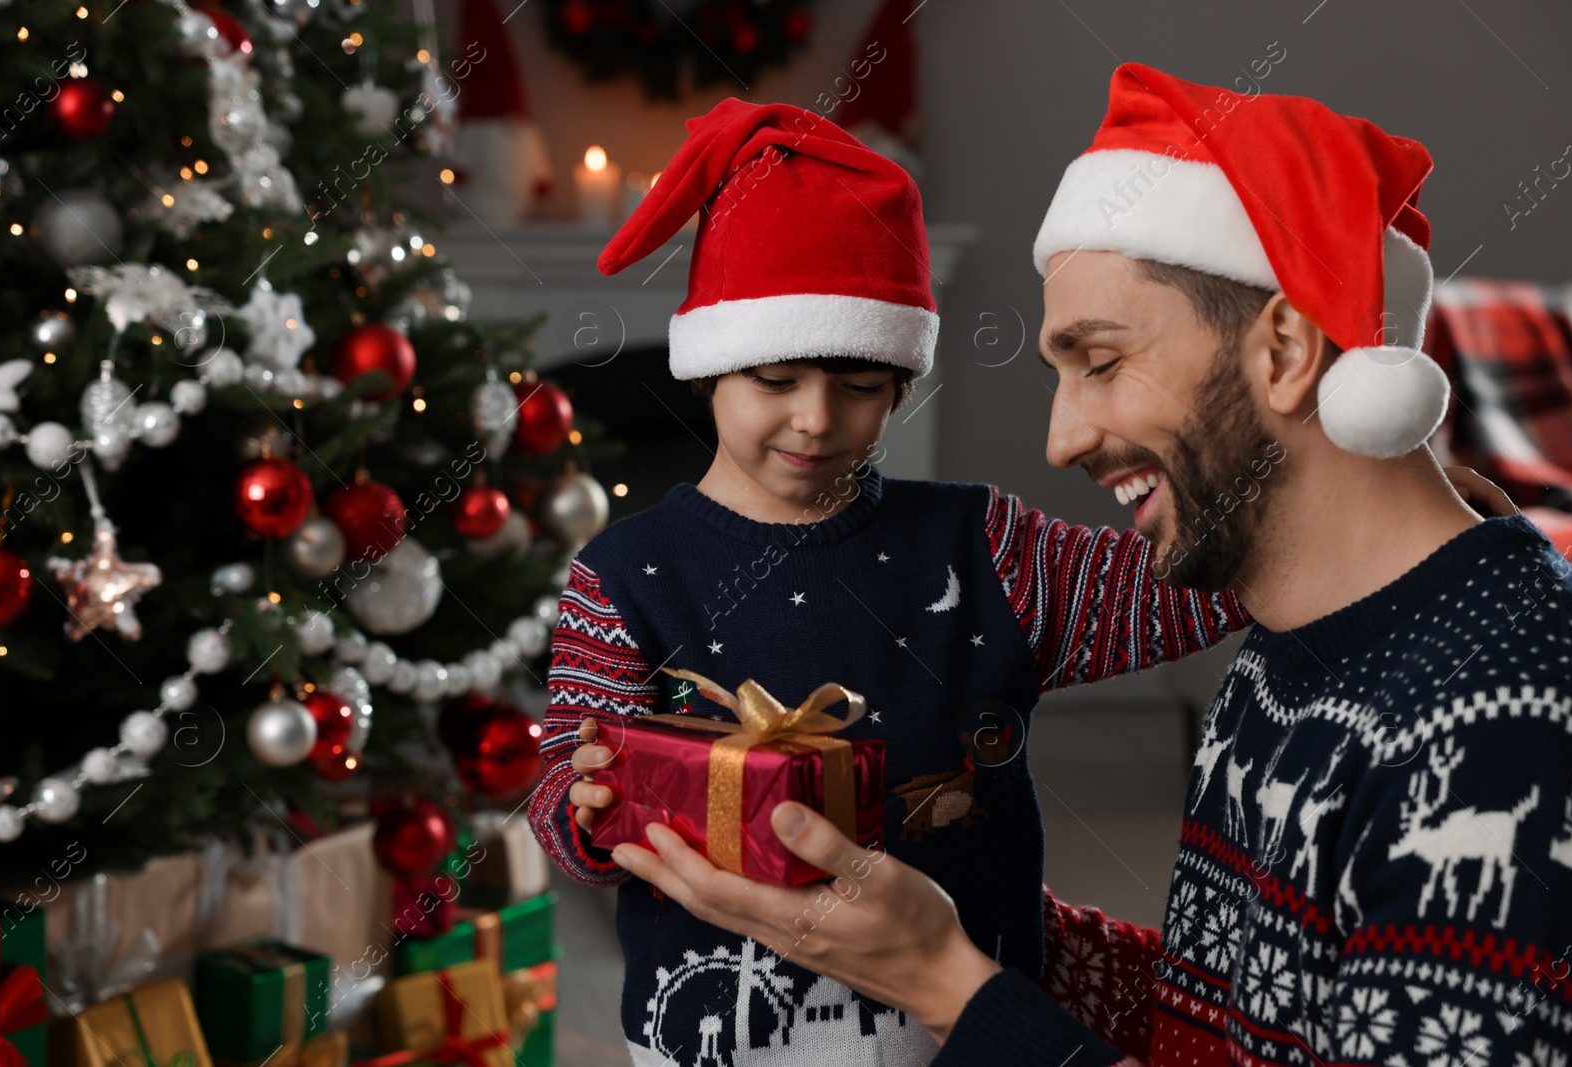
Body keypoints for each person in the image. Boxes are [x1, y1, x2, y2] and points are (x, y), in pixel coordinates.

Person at [608, 64, 1572, 1065]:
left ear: (1287, 349)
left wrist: (948, 985)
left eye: (1102, 361)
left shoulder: (1514, 713)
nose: (1060, 438)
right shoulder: (1287, 650)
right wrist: (949, 914)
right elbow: (1244, 1024)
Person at [526, 97, 1252, 1067]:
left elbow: (1165, 585)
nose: (816, 419)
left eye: (858, 386)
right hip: (714, 1030)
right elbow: (559, 790)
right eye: (775, 380)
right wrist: (583, 810)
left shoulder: (982, 542)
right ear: (708, 371)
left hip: (970, 1023)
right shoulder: (620, 574)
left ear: (900, 385)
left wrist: (1321, 521)